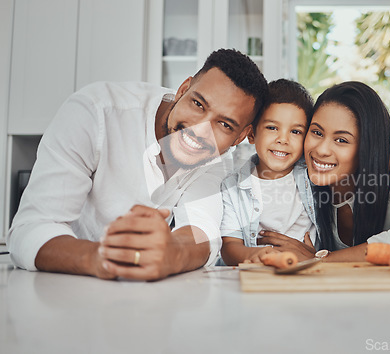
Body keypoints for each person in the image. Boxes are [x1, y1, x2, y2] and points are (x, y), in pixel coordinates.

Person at [7, 49, 268, 280]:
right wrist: (102, 257)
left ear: (241, 136)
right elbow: (30, 228)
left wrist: (172, 253)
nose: (200, 131)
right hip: (62, 286)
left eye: (224, 124)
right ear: (182, 89)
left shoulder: (218, 156)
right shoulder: (95, 112)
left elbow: (203, 230)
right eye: (198, 104)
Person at [257, 81, 390, 261]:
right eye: (317, 133)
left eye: (341, 140)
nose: (321, 150)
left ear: (368, 146)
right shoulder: (301, 176)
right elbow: (267, 147)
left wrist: (320, 259)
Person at [219, 79, 318, 265]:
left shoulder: (313, 177)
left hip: (306, 274)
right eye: (272, 128)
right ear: (251, 134)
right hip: (257, 275)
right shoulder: (232, 187)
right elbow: (230, 246)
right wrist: (258, 256)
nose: (283, 139)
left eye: (295, 132)